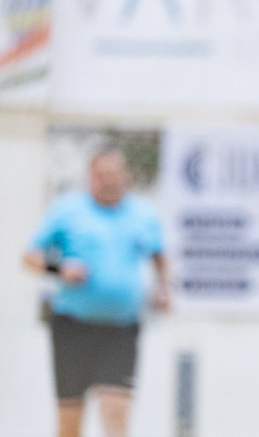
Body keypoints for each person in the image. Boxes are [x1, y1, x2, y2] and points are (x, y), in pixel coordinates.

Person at [22, 146, 169, 437]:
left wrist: (164, 288)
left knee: (116, 416)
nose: (109, 181)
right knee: (69, 421)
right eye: (102, 175)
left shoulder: (142, 214)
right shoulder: (67, 211)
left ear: (125, 176)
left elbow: (159, 256)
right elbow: (29, 257)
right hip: (72, 327)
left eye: (114, 174)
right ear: (91, 176)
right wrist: (59, 268)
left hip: (121, 329)